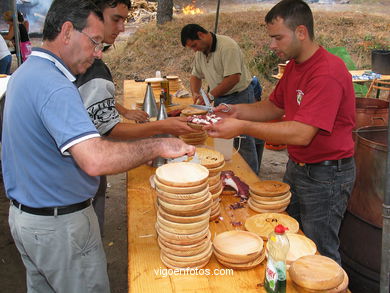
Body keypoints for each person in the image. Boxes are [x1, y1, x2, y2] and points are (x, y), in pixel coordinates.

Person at [2, 0, 194, 292]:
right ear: (67, 31)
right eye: (93, 41)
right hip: (60, 228)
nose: (96, 53)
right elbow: (95, 159)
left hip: (28, 219)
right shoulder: (55, 86)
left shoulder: (27, 73)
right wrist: (157, 145)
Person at [205, 0, 356, 264]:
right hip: (298, 167)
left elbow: (301, 134)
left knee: (320, 252)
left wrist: (242, 127)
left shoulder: (327, 72)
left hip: (327, 174)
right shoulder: (296, 66)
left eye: (277, 37)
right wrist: (235, 112)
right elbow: (274, 106)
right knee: (290, 239)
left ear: (301, 32)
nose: (272, 45)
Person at [76, 0, 197, 234]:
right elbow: (109, 130)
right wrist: (160, 132)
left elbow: (96, 100)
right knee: (89, 230)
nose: (122, 28)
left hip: (76, 178)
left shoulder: (86, 63)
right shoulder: (90, 67)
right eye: (116, 19)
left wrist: (124, 111)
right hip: (75, 185)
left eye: (124, 20)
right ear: (94, 15)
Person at [180, 23, 263, 175]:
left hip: (240, 97)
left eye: (194, 45)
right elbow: (195, 75)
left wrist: (210, 96)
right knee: (223, 138)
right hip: (220, 99)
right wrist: (196, 93)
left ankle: (251, 179)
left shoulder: (227, 46)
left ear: (201, 35)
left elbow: (233, 78)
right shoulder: (201, 52)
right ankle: (229, 174)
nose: (194, 49)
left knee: (243, 140)